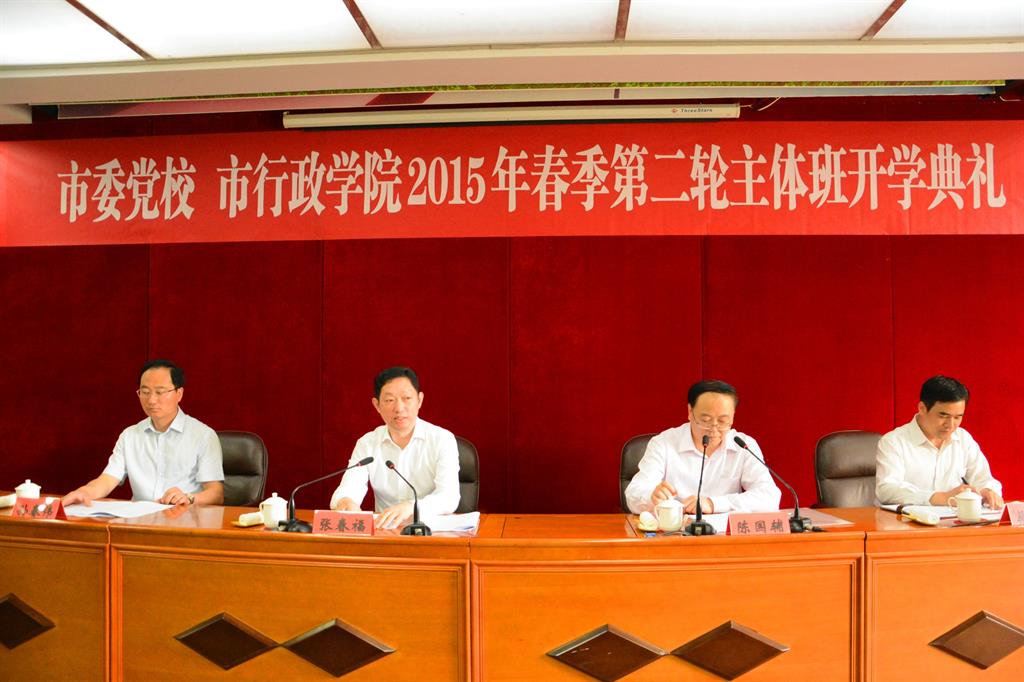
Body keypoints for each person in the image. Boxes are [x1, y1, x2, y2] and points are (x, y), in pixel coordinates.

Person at [63, 359, 224, 507]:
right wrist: (84, 493)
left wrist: (188, 498)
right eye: (145, 392)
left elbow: (216, 494)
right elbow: (107, 479)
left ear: (179, 393)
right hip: (139, 522)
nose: (151, 400)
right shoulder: (129, 436)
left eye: (160, 392)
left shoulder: (203, 436)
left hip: (183, 520)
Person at [624, 380, 781, 515]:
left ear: (733, 416)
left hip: (725, 536)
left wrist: (713, 504)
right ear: (690, 412)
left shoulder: (743, 446)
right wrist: (651, 497)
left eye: (723, 421)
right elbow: (633, 495)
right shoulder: (663, 443)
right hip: (675, 532)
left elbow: (770, 497)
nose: (714, 428)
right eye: (705, 420)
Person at [330, 366, 460, 529]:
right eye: (390, 400)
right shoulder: (367, 443)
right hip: (385, 533)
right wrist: (345, 501)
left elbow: (449, 497)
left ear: (419, 400)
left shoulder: (442, 439)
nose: (399, 408)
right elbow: (349, 487)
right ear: (377, 405)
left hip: (430, 532)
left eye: (407, 398)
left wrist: (411, 507)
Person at [876, 375, 1003, 509]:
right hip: (904, 519)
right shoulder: (893, 442)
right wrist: (941, 497)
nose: (950, 425)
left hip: (952, 518)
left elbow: (984, 479)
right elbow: (887, 490)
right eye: (943, 415)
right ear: (922, 408)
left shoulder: (963, 439)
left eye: (957, 417)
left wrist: (988, 491)